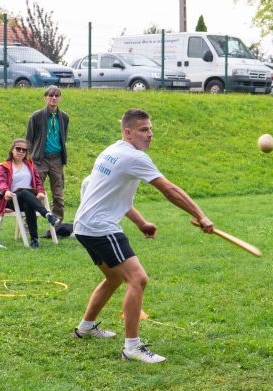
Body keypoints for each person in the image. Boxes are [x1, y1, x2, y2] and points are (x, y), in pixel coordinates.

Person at [72, 108, 214, 364]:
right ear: (127, 132)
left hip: (84, 227)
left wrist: (141, 223)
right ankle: (132, 348)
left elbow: (93, 187)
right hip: (100, 227)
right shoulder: (134, 158)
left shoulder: (111, 151)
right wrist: (201, 216)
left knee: (114, 278)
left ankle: (85, 327)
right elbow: (170, 190)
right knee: (138, 279)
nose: (149, 134)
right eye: (143, 130)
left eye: (150, 129)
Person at [0, 139, 60, 249]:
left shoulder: (29, 165)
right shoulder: (5, 166)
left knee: (28, 203)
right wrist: (6, 191)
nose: (21, 152)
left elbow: (38, 181)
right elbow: (1, 181)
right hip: (12, 199)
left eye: (24, 150)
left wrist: (41, 192)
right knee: (24, 192)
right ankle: (48, 215)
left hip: (29, 199)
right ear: (12, 150)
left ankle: (34, 240)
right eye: (18, 149)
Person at [26, 85, 69, 224]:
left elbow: (64, 137)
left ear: (60, 98)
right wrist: (33, 157)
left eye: (57, 95)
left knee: (58, 195)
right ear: (45, 98)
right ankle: (28, 223)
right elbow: (29, 139)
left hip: (57, 159)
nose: (54, 98)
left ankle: (57, 225)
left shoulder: (64, 117)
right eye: (51, 95)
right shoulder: (36, 116)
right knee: (35, 193)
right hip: (40, 159)